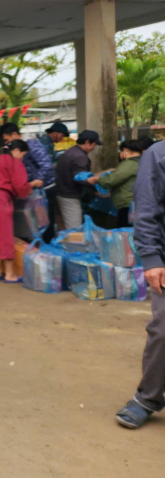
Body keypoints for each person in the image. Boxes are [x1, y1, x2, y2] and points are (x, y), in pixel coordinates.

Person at [115, 140, 165, 429]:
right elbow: (146, 210)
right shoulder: (158, 155)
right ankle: (148, 397)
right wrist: (151, 258)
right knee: (162, 330)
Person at [0, 140, 45, 282]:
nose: (22, 158)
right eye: (23, 155)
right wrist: (33, 184)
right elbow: (20, 187)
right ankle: (10, 274)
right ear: (16, 151)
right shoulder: (14, 162)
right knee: (5, 236)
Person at [54, 130, 101, 230]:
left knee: (65, 227)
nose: (93, 148)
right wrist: (96, 183)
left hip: (60, 193)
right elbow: (80, 178)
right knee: (74, 230)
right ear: (87, 142)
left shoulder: (69, 152)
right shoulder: (80, 157)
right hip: (70, 196)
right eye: (94, 145)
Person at [90, 140, 143, 227]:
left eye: (120, 151)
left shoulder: (130, 164)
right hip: (136, 203)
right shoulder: (142, 162)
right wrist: (109, 194)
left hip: (128, 205)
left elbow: (111, 180)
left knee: (125, 233)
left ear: (125, 150)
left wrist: (96, 179)